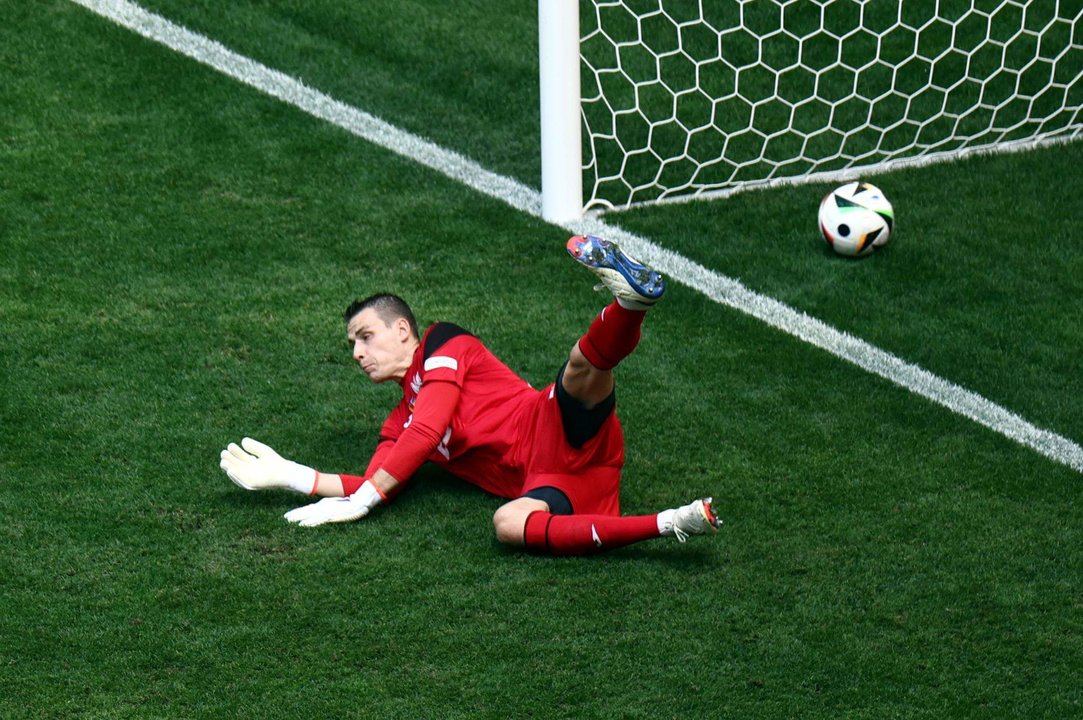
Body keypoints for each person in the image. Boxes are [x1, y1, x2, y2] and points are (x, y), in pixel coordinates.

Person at [219, 235, 720, 556]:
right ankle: (671, 522)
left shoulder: (444, 342)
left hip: (551, 424)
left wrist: (364, 500)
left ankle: (631, 303)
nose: (356, 351)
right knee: (507, 524)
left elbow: (429, 429)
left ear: (402, 330)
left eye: (365, 335)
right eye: (351, 344)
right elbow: (379, 479)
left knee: (580, 368)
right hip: (548, 482)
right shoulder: (399, 422)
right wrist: (293, 476)